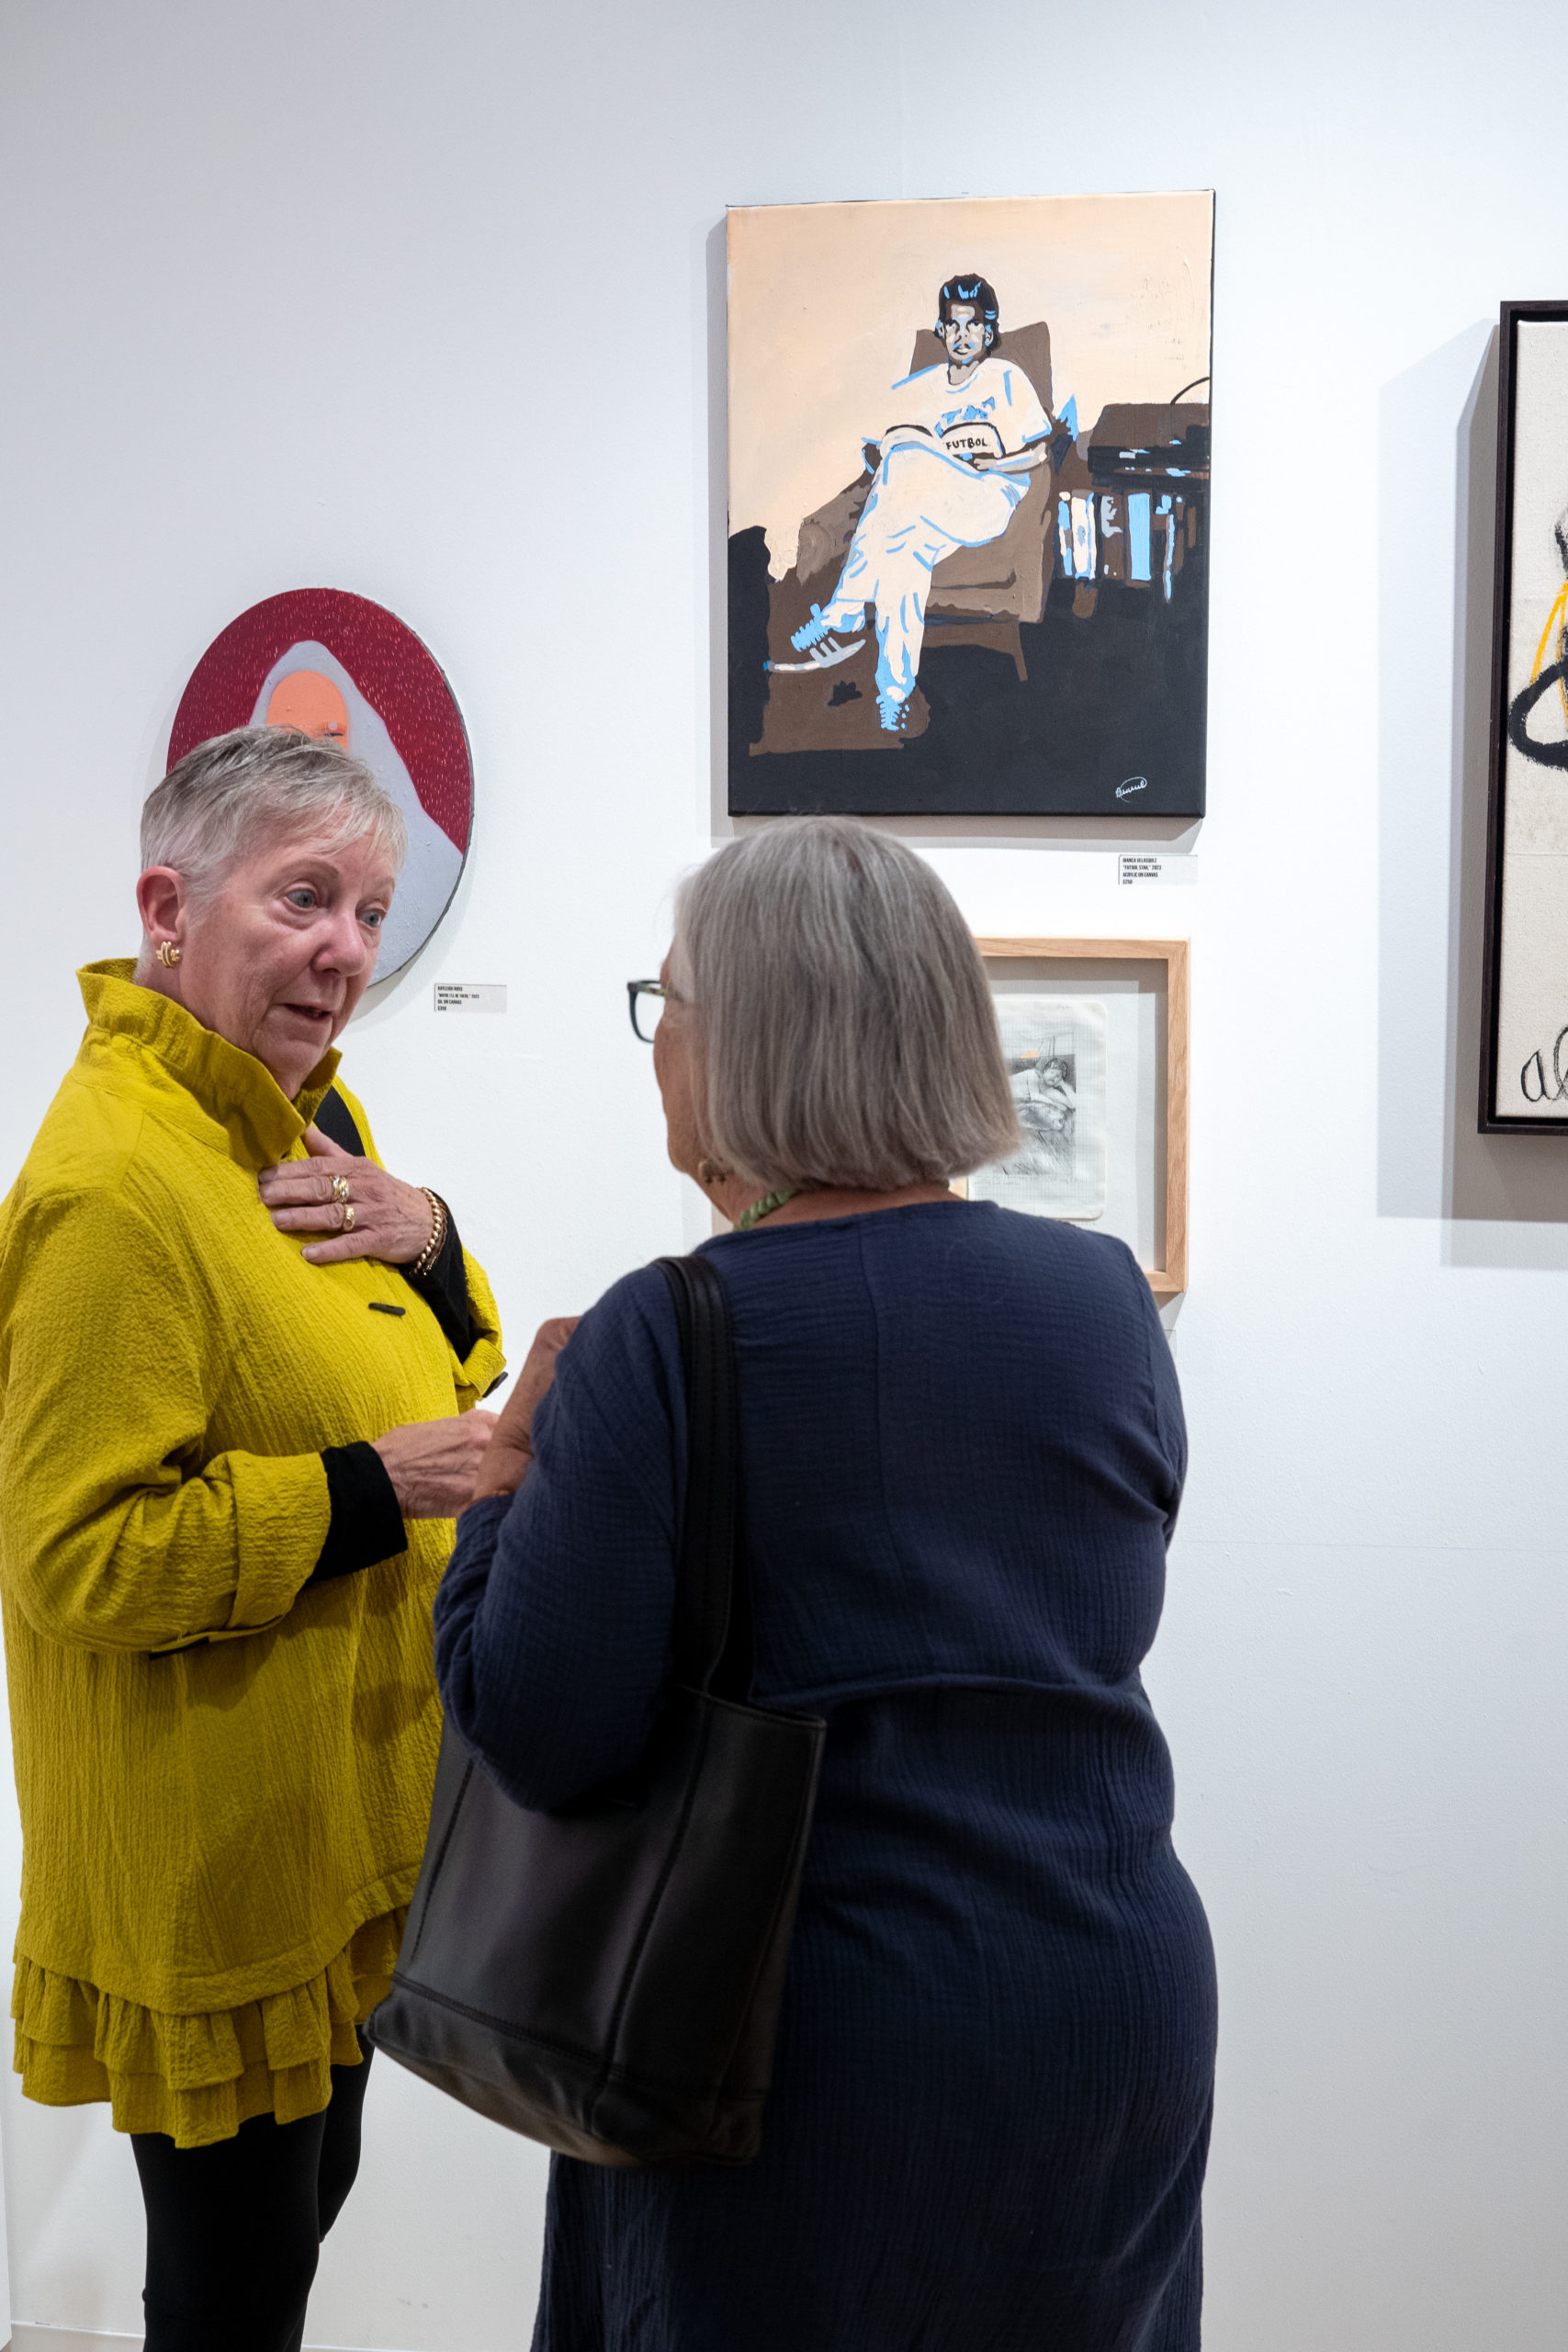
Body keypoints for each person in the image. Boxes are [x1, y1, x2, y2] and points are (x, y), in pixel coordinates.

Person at [436, 817, 1216, 2350]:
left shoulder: (666, 1333)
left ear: (743, 1044)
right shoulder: (1098, 1297)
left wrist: (498, 1486)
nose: (657, 1050)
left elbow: (537, 1726)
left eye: (666, 1006)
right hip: (1105, 1998)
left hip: (795, 2030)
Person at [0, 726, 505, 2352]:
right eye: (304, 899)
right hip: (219, 1867)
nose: (346, 950)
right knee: (234, 2292)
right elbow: (77, 1556)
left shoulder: (298, 1118)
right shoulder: (114, 1187)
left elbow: (450, 1369)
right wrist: (373, 1490)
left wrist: (434, 1241)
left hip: (325, 1825)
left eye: (369, 911)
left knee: (289, 2232)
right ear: (168, 910)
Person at [782, 274, 1055, 730]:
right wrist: (883, 454)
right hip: (926, 507)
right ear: (941, 330)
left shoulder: (1005, 378)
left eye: (973, 325)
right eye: (954, 325)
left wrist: (994, 464)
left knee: (906, 458)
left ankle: (845, 609)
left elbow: (1040, 452)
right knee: (904, 554)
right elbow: (876, 449)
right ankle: (894, 693)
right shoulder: (919, 388)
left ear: (989, 332)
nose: (962, 335)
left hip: (987, 495)